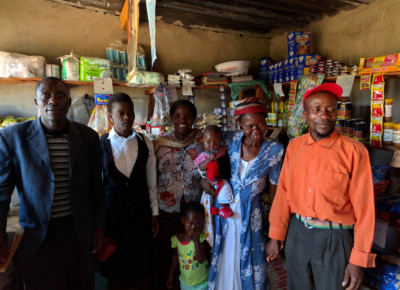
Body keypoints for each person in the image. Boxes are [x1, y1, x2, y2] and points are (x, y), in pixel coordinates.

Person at [267, 83, 376, 290]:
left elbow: (365, 210)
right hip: (297, 233)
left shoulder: (354, 151)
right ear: (306, 114)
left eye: (330, 109)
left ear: (337, 113)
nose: (323, 116)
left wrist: (358, 259)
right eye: (316, 110)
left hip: (335, 238)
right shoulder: (294, 146)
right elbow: (283, 193)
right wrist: (275, 235)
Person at [0, 77, 105, 289]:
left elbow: (97, 187)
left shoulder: (88, 137)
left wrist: (100, 227)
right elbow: (2, 193)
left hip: (78, 235)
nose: (53, 101)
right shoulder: (13, 138)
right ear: (36, 102)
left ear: (69, 101)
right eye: (45, 96)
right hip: (38, 238)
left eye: (60, 95)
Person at [203, 97, 284, 290]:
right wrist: (204, 178)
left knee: (248, 258)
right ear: (240, 124)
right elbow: (209, 159)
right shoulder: (230, 140)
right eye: (250, 126)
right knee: (225, 254)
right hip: (225, 213)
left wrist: (275, 232)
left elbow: (276, 192)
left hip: (251, 218)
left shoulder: (275, 150)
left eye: (261, 124)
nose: (256, 130)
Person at [100, 93, 158, 290]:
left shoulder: (145, 142)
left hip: (140, 215)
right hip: (112, 217)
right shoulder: (101, 144)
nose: (126, 117)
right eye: (121, 113)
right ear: (111, 117)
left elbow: (151, 181)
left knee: (141, 263)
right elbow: (97, 185)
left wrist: (154, 213)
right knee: (115, 266)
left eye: (130, 112)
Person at [152, 100, 204, 290]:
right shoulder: (159, 144)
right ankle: (167, 284)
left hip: (195, 209)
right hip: (167, 208)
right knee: (166, 251)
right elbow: (153, 178)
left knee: (192, 250)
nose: (183, 120)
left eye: (188, 115)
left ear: (194, 118)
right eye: (178, 116)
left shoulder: (203, 141)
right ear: (171, 118)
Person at [167, 202, 210, 290]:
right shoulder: (177, 240)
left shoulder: (202, 238)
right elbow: (175, 257)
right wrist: (170, 276)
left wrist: (196, 241)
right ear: (183, 221)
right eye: (190, 224)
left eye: (198, 224)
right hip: (185, 282)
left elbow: (201, 260)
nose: (194, 228)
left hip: (202, 283)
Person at [194, 125, 233, 219]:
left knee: (226, 190)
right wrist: (209, 160)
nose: (212, 145)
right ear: (202, 141)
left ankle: (222, 208)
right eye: (208, 142)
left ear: (221, 142)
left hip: (219, 180)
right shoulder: (203, 155)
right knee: (209, 201)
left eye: (216, 142)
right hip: (209, 183)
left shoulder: (222, 152)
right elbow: (201, 167)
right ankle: (214, 208)